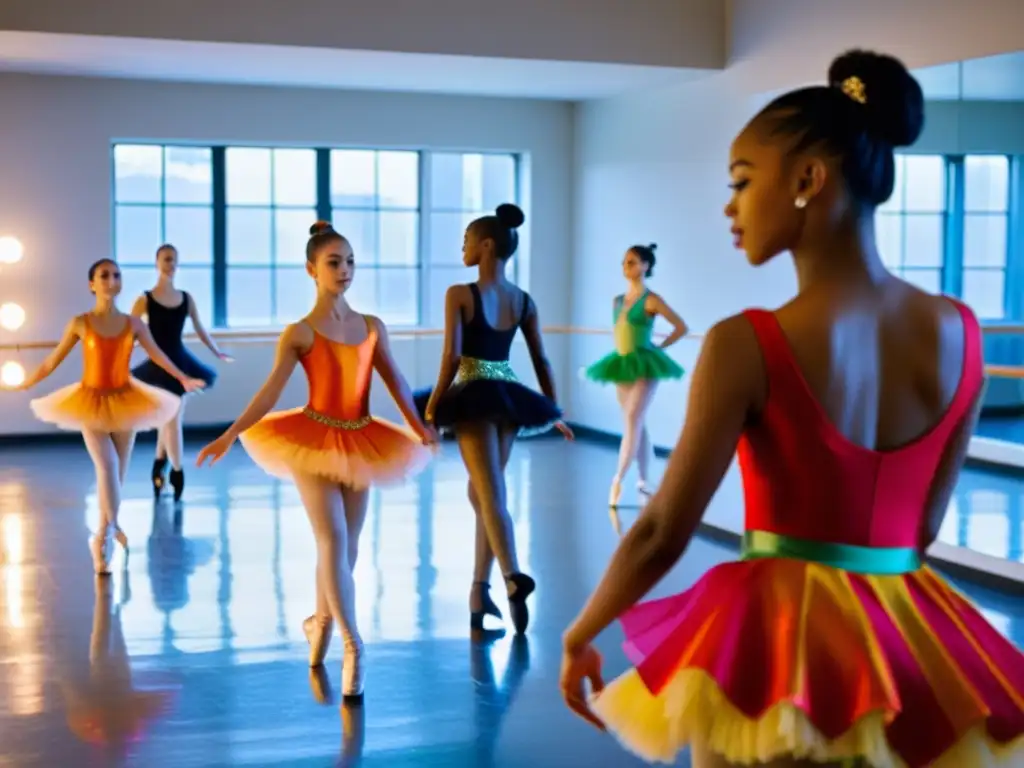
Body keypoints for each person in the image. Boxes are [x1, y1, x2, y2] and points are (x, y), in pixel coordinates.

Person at [559, 50, 1023, 768]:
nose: (729, 207)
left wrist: (581, 631)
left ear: (809, 180)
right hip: (904, 644)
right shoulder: (961, 333)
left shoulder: (746, 343)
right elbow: (923, 527)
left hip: (773, 650)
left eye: (742, 182)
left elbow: (661, 531)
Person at [196, 222, 438, 701]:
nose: (345, 270)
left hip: (364, 439)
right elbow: (270, 390)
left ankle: (321, 622)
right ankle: (353, 644)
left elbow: (395, 380)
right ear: (311, 269)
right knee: (331, 540)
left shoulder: (372, 326)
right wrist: (230, 433)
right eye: (334, 262)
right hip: (312, 438)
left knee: (346, 552)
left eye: (350, 261)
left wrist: (420, 427)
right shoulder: (300, 333)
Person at [415, 203, 573, 637]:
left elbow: (451, 355)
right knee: (486, 495)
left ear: (486, 245)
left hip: (472, 394)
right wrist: (553, 407)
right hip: (508, 397)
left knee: (490, 494)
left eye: (467, 239)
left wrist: (432, 408)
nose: (462, 247)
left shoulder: (460, 293)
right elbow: (540, 358)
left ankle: (513, 576)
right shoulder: (522, 300)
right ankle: (479, 591)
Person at [14, 258, 205, 574]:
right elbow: (51, 361)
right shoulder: (80, 322)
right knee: (107, 465)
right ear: (92, 284)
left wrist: (183, 378)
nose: (111, 280)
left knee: (115, 477)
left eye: (116, 275)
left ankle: (101, 538)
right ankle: (110, 531)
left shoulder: (134, 324)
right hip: (90, 401)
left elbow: (158, 354)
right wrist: (26, 382)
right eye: (104, 275)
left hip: (126, 400)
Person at [584, 243, 688, 506]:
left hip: (645, 364)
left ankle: (618, 479)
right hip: (621, 365)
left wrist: (659, 348)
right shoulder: (617, 301)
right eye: (624, 262)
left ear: (645, 266)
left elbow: (680, 327)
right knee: (636, 422)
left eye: (632, 262)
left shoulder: (652, 300)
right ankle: (644, 480)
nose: (626, 266)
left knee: (632, 418)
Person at [131, 243, 230, 502]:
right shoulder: (145, 299)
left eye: (174, 260)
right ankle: (177, 472)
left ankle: (159, 463)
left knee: (171, 418)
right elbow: (129, 333)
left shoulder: (186, 298)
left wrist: (217, 351)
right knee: (171, 419)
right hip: (157, 365)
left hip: (181, 361)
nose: (170, 264)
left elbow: (199, 327)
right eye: (166, 259)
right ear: (156, 263)